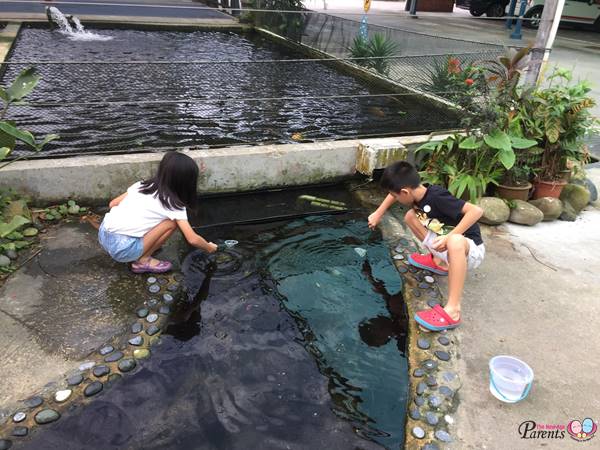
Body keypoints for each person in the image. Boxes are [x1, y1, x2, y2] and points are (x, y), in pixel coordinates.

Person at [368, 161, 484, 331]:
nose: (396, 199)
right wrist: (378, 213)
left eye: (397, 195)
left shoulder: (437, 196)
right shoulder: (415, 194)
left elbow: (476, 211)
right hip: (446, 249)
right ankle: (439, 262)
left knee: (455, 240)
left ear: (405, 192)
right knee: (410, 216)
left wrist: (451, 236)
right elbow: (394, 194)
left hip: (470, 251)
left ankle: (453, 309)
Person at [98, 151, 218, 274]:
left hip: (103, 235)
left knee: (151, 217)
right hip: (123, 250)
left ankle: (142, 248)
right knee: (171, 223)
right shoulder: (174, 205)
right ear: (187, 182)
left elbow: (112, 204)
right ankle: (142, 261)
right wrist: (209, 248)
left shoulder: (141, 185)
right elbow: (192, 239)